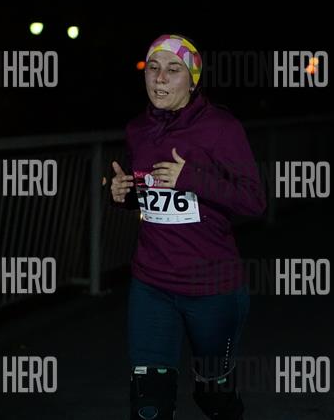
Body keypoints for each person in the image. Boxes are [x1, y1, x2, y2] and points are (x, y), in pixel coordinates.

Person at [110, 34, 265, 419]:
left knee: (214, 396)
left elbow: (254, 201)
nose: (160, 78)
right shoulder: (138, 129)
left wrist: (191, 178)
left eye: (173, 69)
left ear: (193, 80)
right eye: (153, 68)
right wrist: (121, 193)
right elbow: (147, 192)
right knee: (149, 404)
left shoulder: (220, 127)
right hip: (152, 283)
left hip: (211, 287)